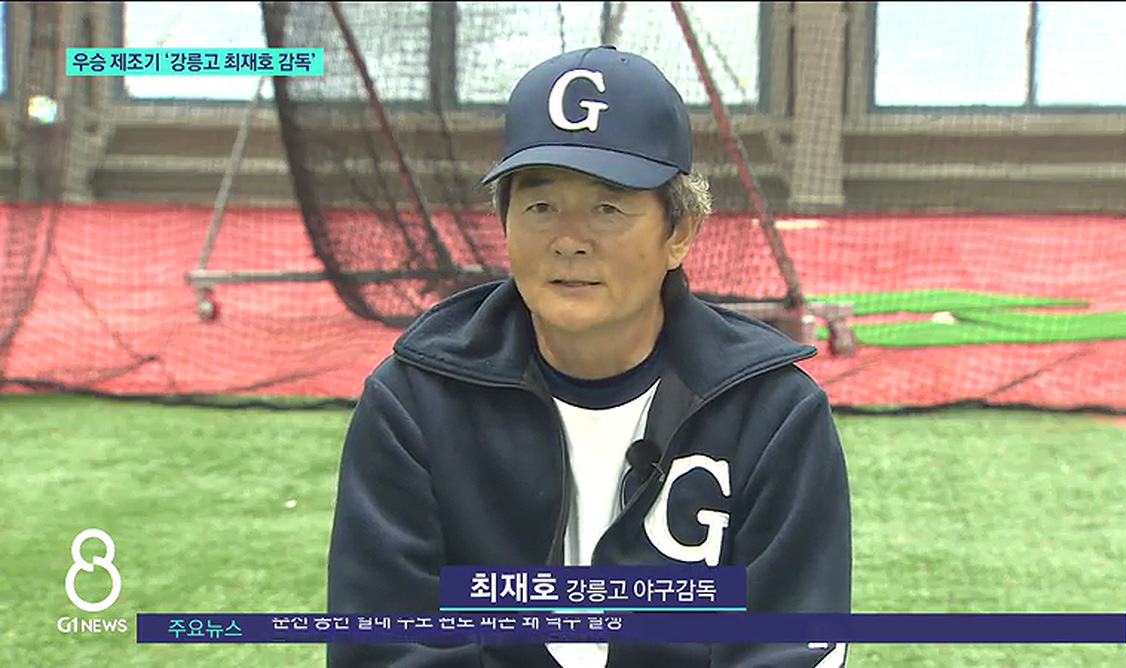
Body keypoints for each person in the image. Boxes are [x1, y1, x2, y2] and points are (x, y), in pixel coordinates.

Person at [326, 45, 851, 668]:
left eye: (608, 207)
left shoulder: (772, 412)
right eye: (541, 206)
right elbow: (381, 647)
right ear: (505, 225)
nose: (569, 240)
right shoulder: (415, 401)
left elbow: (792, 647)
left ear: (679, 232)